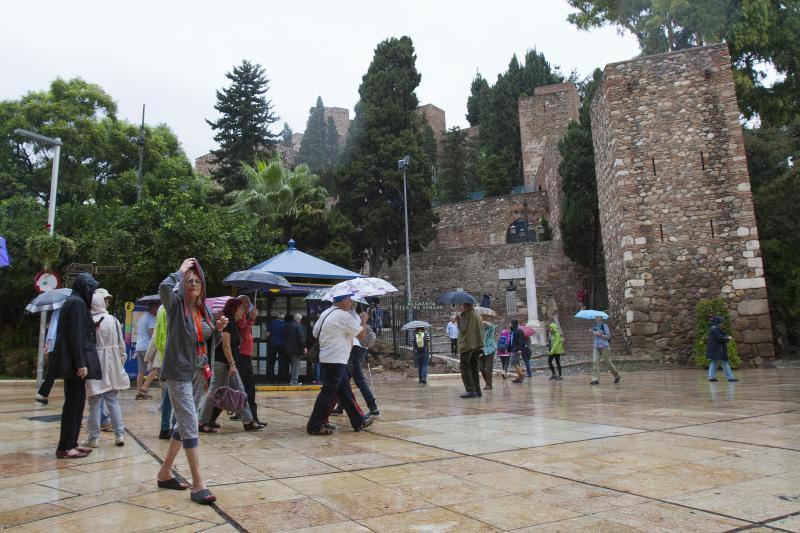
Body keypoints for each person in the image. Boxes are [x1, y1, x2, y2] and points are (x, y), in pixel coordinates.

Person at [156, 258, 227, 505]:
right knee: (189, 422)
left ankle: (165, 473)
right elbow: (164, 288)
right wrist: (180, 271)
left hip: (200, 372)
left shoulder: (204, 310)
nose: (193, 284)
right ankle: (198, 484)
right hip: (178, 372)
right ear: (183, 284)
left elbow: (208, 344)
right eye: (189, 281)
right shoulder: (175, 305)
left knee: (187, 421)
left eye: (197, 281)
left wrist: (217, 330)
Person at [306, 293, 374, 435]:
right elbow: (361, 336)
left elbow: (315, 332)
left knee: (345, 392)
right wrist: (364, 321)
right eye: (349, 300)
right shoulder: (343, 316)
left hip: (327, 358)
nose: (351, 303)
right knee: (328, 393)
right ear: (342, 302)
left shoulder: (325, 313)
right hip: (336, 359)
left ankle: (358, 421)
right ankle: (315, 425)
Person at [53, 273, 101, 459]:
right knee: (73, 405)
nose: (93, 293)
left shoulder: (75, 301)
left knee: (76, 403)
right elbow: (75, 336)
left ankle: (71, 443)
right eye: (92, 289)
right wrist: (81, 363)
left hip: (73, 363)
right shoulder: (77, 304)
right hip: (75, 365)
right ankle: (65, 447)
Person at [198, 298, 264, 432]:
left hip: (226, 363)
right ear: (234, 309)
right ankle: (202, 421)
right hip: (223, 363)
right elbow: (226, 346)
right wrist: (232, 364)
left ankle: (248, 420)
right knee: (215, 392)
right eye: (241, 309)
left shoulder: (233, 322)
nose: (243, 311)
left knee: (236, 391)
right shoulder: (227, 322)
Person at [82, 290, 129, 448]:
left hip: (94, 364)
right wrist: (120, 361)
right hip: (112, 364)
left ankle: (93, 438)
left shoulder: (87, 320)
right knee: (112, 400)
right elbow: (121, 345)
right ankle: (119, 434)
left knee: (94, 402)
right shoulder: (113, 320)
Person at [348, 303, 379, 416]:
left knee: (358, 379)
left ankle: (373, 407)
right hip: (360, 348)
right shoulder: (357, 315)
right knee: (344, 378)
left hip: (354, 348)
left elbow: (358, 334)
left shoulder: (351, 315)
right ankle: (340, 406)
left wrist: (363, 322)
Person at [234, 295, 259, 423]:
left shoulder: (243, 316)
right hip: (241, 356)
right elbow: (244, 331)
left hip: (246, 356)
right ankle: (251, 418)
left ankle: (252, 416)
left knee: (247, 388)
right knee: (246, 388)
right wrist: (251, 319)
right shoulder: (240, 318)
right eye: (247, 304)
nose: (249, 306)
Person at [457, 302, 484, 398]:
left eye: (461, 305)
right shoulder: (477, 314)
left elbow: (463, 329)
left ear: (464, 305)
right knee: (474, 367)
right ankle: (477, 390)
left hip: (467, 344)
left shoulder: (465, 314)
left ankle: (471, 390)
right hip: (477, 344)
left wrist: (458, 321)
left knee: (465, 366)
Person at [35, 308, 60, 405]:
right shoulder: (59, 312)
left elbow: (52, 328)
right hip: (59, 346)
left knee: (52, 371)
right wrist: (49, 343)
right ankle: (42, 394)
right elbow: (53, 328)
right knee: (53, 371)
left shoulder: (57, 312)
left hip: (55, 346)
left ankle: (43, 394)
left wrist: (48, 344)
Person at [135, 302, 158, 399]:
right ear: (153, 308)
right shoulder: (151, 318)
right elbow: (152, 334)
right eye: (157, 308)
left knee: (141, 371)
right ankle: (143, 389)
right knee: (155, 368)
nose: (158, 310)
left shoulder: (142, 317)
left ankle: (139, 393)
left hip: (139, 347)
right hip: (146, 347)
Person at [590, 316, 620, 385]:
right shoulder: (595, 327)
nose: (596, 318)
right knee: (595, 362)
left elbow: (608, 336)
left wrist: (599, 334)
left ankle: (616, 375)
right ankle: (595, 379)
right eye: (595, 317)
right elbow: (594, 337)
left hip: (604, 346)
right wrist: (592, 332)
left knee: (608, 362)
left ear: (601, 318)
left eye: (597, 317)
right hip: (596, 347)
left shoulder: (604, 325)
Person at [708, 316, 738, 382]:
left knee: (713, 362)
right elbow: (720, 338)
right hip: (719, 349)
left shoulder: (712, 328)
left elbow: (717, 338)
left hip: (713, 349)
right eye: (722, 322)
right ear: (719, 322)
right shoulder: (716, 329)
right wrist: (728, 338)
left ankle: (711, 377)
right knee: (725, 362)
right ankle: (730, 377)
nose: (722, 323)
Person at [285, 313, 307, 385]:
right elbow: (301, 338)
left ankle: (291, 379)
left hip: (288, 349)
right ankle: (294, 381)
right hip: (296, 349)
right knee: (296, 366)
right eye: (300, 319)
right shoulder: (299, 326)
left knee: (292, 365)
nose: (301, 321)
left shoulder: (288, 325)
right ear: (299, 319)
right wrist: (304, 347)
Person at [266, 315, 286, 383]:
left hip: (273, 344)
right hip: (282, 344)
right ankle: (279, 378)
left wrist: (270, 340)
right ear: (283, 318)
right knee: (281, 362)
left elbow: (268, 334)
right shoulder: (285, 324)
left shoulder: (272, 323)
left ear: (277, 318)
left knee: (271, 361)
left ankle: (271, 378)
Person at [480, 313, 497, 390]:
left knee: (488, 367)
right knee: (481, 367)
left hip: (490, 349)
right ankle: (488, 381)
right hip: (481, 350)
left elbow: (492, 327)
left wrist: (486, 322)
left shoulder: (490, 328)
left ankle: (488, 384)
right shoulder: (479, 329)